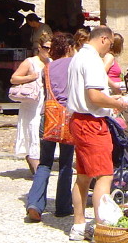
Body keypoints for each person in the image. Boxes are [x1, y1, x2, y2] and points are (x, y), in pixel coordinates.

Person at [66, 25, 128, 242]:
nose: (109, 49)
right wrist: (116, 102)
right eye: (110, 44)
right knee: (104, 174)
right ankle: (102, 229)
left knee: (83, 176)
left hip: (78, 119)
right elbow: (94, 95)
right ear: (103, 39)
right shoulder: (92, 59)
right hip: (91, 121)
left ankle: (79, 225)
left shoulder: (77, 56)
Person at [25, 32, 76, 222]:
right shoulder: (74, 64)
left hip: (48, 117)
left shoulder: (47, 67)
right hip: (68, 117)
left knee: (45, 162)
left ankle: (35, 203)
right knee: (65, 163)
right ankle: (63, 206)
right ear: (69, 48)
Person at [11, 31, 52, 174]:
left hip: (45, 102)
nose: (48, 51)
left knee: (42, 133)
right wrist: (31, 77)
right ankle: (35, 164)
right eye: (46, 48)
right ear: (39, 47)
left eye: (51, 48)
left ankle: (38, 163)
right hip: (32, 103)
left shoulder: (51, 63)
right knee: (32, 130)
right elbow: (14, 79)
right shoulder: (30, 62)